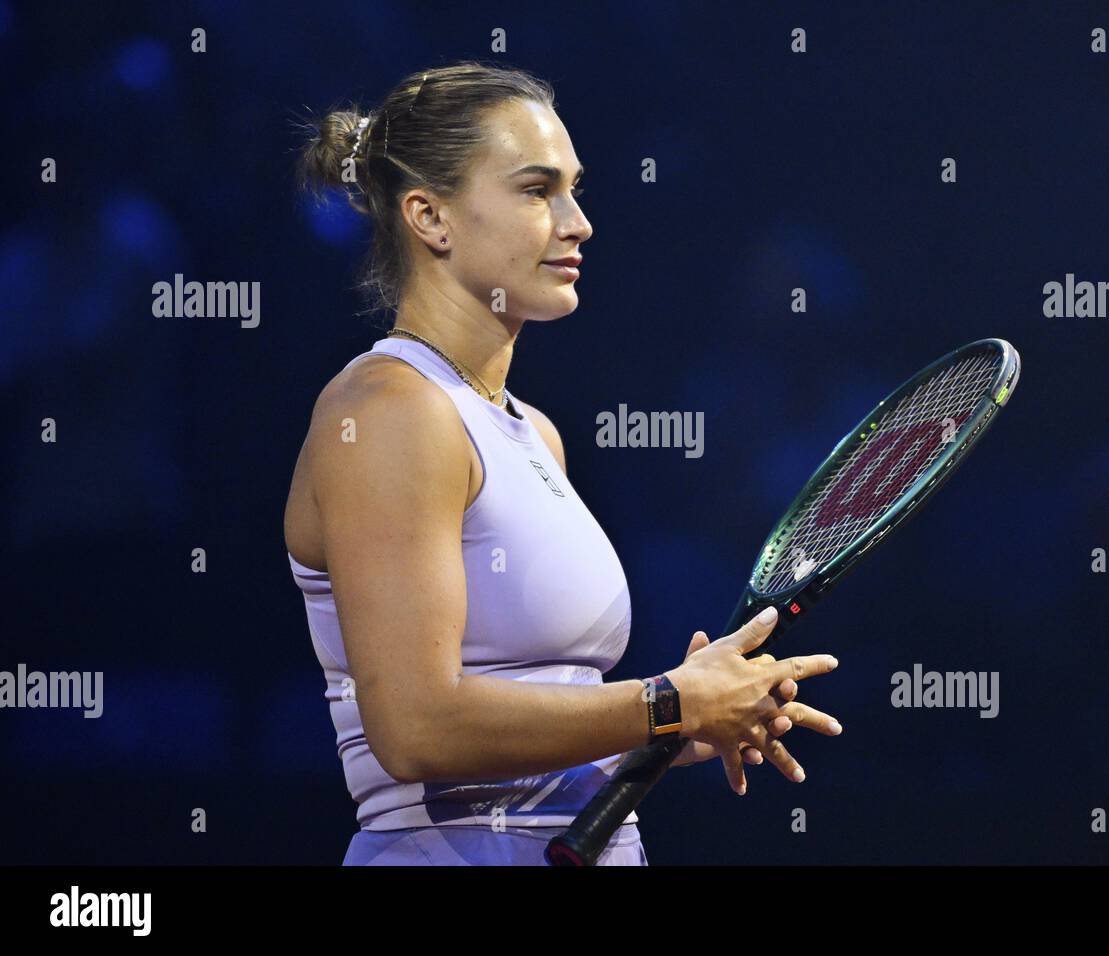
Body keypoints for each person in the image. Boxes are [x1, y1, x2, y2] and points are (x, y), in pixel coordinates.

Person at [285, 61, 842, 865]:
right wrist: (663, 702)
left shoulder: (534, 433)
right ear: (430, 217)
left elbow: (540, 729)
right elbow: (414, 729)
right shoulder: (385, 412)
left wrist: (676, 728)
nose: (577, 221)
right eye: (537, 190)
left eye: (575, 189)